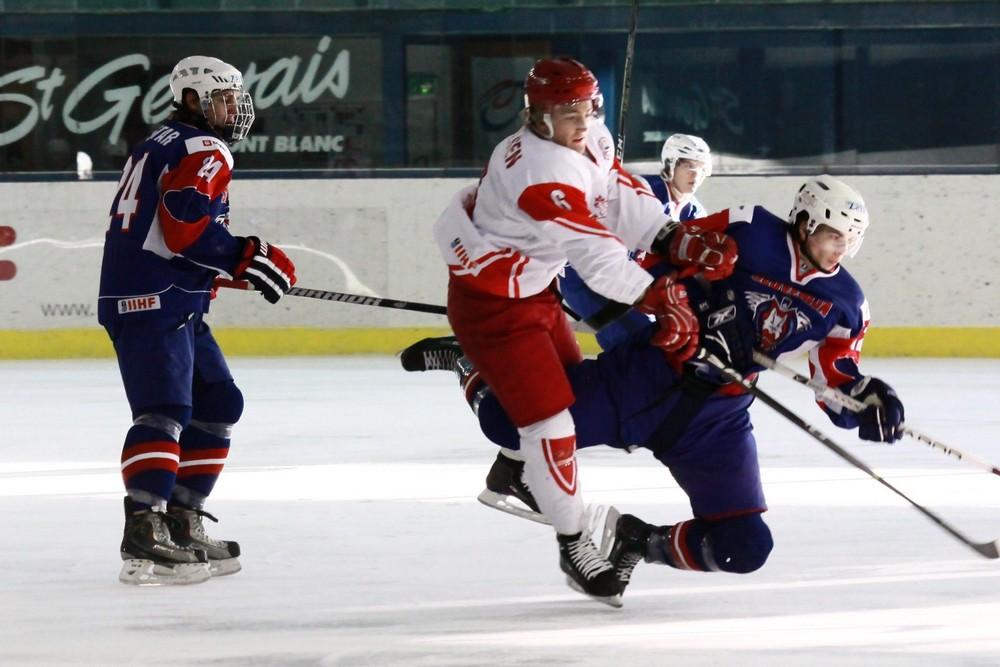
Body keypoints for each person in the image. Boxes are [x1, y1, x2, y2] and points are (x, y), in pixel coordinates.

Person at [403, 175, 905, 603]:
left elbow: (835, 375)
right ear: (806, 221)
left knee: (744, 546)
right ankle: (468, 360)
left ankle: (635, 542)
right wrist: (693, 302)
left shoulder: (847, 303)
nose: (840, 248)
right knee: (504, 423)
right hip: (647, 375)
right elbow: (657, 254)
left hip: (715, 420)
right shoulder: (749, 227)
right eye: (833, 235)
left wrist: (867, 401)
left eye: (850, 239)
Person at [417, 56, 736, 607]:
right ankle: (574, 544)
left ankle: (508, 455)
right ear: (537, 116)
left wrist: (671, 236)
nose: (584, 121)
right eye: (569, 113)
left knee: (573, 394)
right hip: (493, 307)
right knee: (551, 423)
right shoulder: (539, 172)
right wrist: (658, 297)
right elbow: (597, 254)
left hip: (536, 288)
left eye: (589, 108)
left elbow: (616, 194)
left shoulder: (588, 137)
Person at [97, 55, 297, 585]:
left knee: (218, 402)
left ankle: (182, 519)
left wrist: (224, 267)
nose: (233, 109)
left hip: (168, 293)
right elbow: (184, 225)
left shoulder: (163, 139)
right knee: (164, 411)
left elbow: (163, 231)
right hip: (154, 299)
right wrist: (245, 255)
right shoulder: (206, 148)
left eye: (234, 98)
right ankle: (145, 527)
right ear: (192, 99)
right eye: (222, 99)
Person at [559, 133, 716, 350]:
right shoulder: (644, 191)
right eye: (689, 166)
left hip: (632, 283)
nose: (696, 174)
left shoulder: (695, 213)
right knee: (634, 339)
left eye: (702, 168)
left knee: (661, 332)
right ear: (671, 164)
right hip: (587, 274)